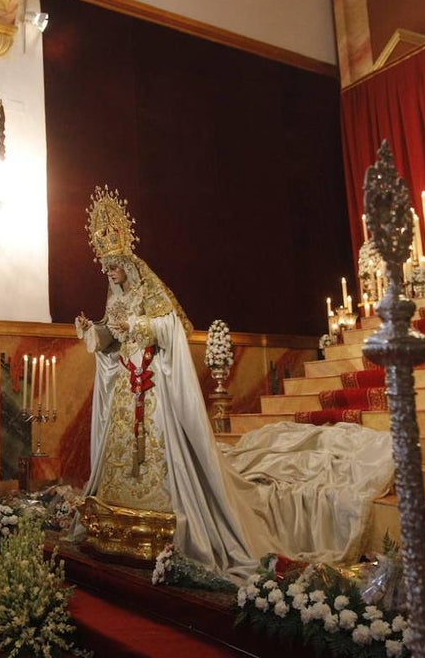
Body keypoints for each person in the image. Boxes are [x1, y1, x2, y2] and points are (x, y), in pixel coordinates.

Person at [77, 187, 396, 582]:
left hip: (152, 383)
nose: (109, 273)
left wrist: (139, 325)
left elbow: (172, 326)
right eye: (105, 267)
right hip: (128, 386)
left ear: (128, 261)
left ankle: (168, 509)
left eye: (114, 266)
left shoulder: (148, 289)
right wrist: (96, 332)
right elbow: (112, 336)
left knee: (160, 450)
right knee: (125, 453)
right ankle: (120, 506)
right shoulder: (116, 296)